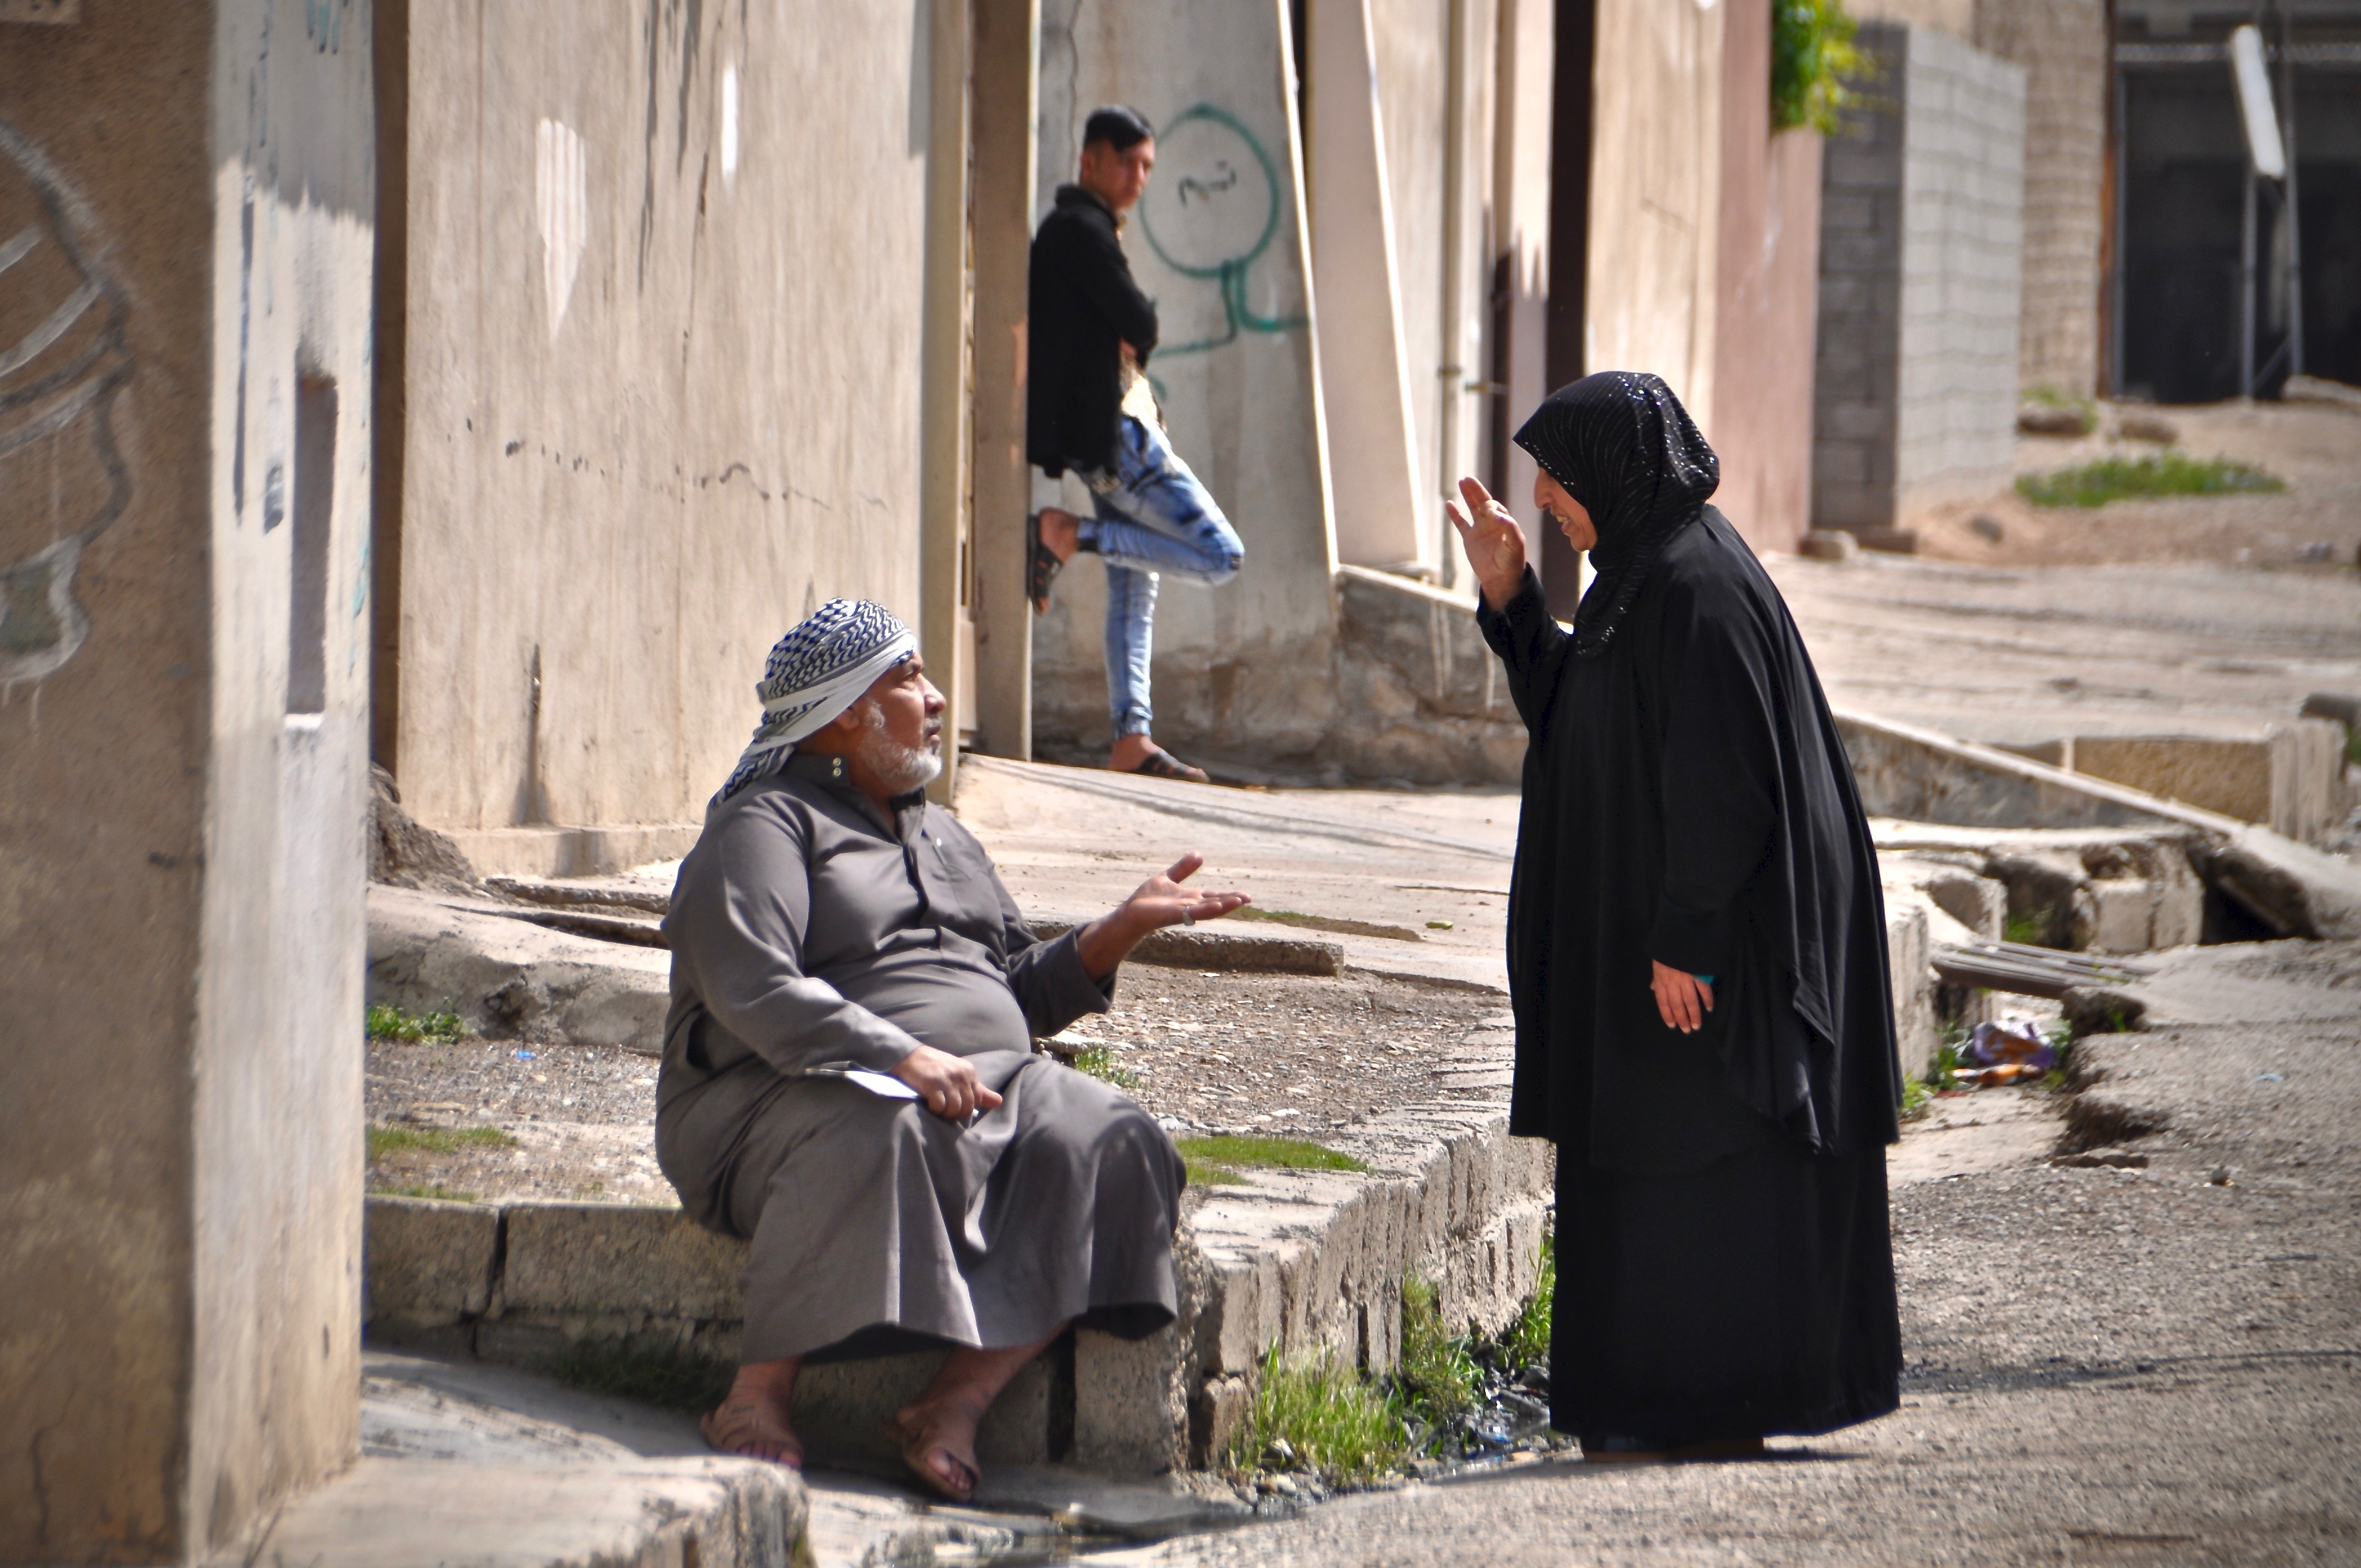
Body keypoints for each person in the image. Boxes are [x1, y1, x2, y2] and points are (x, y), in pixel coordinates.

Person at [656, 598, 1248, 1498]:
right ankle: (758, 1393)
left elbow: (1013, 990)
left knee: (1119, 1137)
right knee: (888, 1125)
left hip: (980, 1077)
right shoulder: (766, 825)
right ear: (847, 709)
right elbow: (755, 989)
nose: (936, 699)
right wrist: (902, 1056)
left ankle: (956, 1400)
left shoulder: (943, 834)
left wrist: (1115, 931)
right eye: (911, 677)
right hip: (775, 1095)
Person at [1447, 371, 1904, 1458]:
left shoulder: (1694, 586)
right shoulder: (1638, 577)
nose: (1549, 505)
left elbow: (1725, 782)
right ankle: (1652, 1398)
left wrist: (1685, 937)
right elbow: (1582, 713)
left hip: (1719, 951)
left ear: (1616, 473)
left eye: (1559, 487)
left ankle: (1712, 1398)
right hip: (1676, 936)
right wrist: (1512, 600)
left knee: (1708, 1161)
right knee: (1659, 1158)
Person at [1026, 104, 1246, 785]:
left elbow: (1124, 324)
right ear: (1089, 158)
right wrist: (1131, 327)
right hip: (1120, 435)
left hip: (1113, 430)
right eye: (1127, 162)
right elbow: (1140, 317)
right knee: (1219, 555)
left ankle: (1132, 738)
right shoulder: (1078, 228)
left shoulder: (1085, 232)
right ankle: (1068, 536)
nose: (1138, 177)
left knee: (1135, 590)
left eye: (1147, 165)